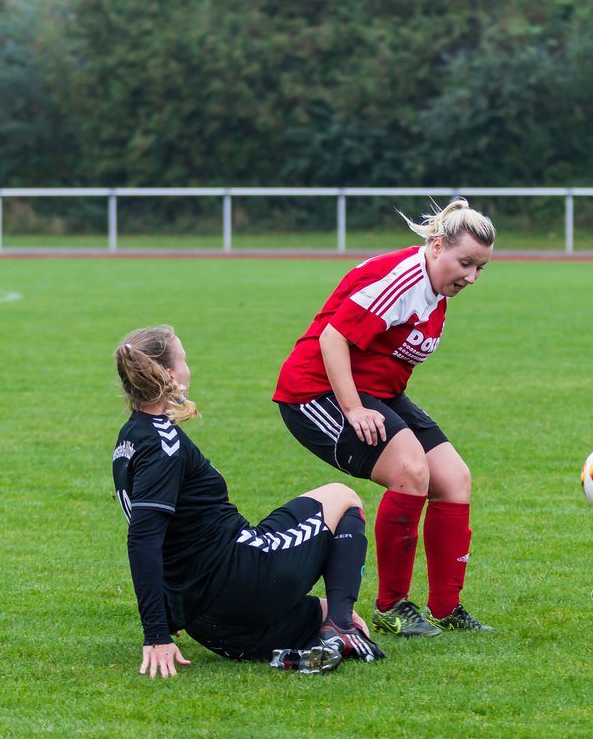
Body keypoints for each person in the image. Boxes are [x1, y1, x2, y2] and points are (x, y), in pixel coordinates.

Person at [273, 198, 496, 638]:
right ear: (436, 247)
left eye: (480, 269)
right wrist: (354, 409)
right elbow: (333, 339)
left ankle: (447, 608)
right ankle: (391, 606)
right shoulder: (404, 278)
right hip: (314, 391)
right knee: (411, 470)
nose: (471, 277)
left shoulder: (436, 287)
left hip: (378, 392)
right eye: (465, 263)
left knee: (454, 478)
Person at [112, 325, 385, 677]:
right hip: (242, 576)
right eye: (184, 360)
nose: (187, 369)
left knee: (334, 611)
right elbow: (145, 540)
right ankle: (340, 626)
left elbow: (163, 535)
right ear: (168, 373)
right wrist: (156, 634)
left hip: (207, 619)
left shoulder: (128, 439)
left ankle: (336, 625)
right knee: (343, 496)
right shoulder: (165, 444)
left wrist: (170, 609)